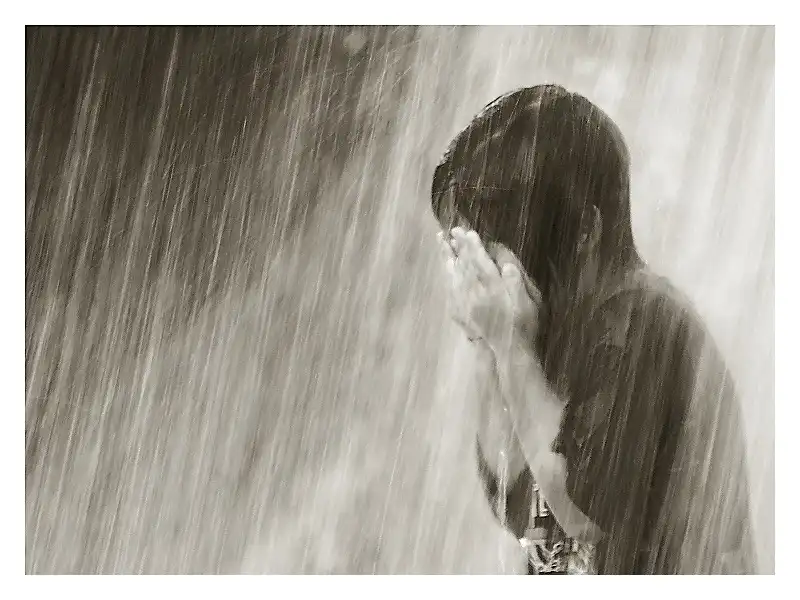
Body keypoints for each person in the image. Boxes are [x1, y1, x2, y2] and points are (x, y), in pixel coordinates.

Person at [430, 84, 757, 575]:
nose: (484, 281)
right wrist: (487, 343)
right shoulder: (559, 335)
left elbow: (580, 505)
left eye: (491, 254)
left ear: (583, 231)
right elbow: (518, 506)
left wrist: (509, 346)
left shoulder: (644, 324)